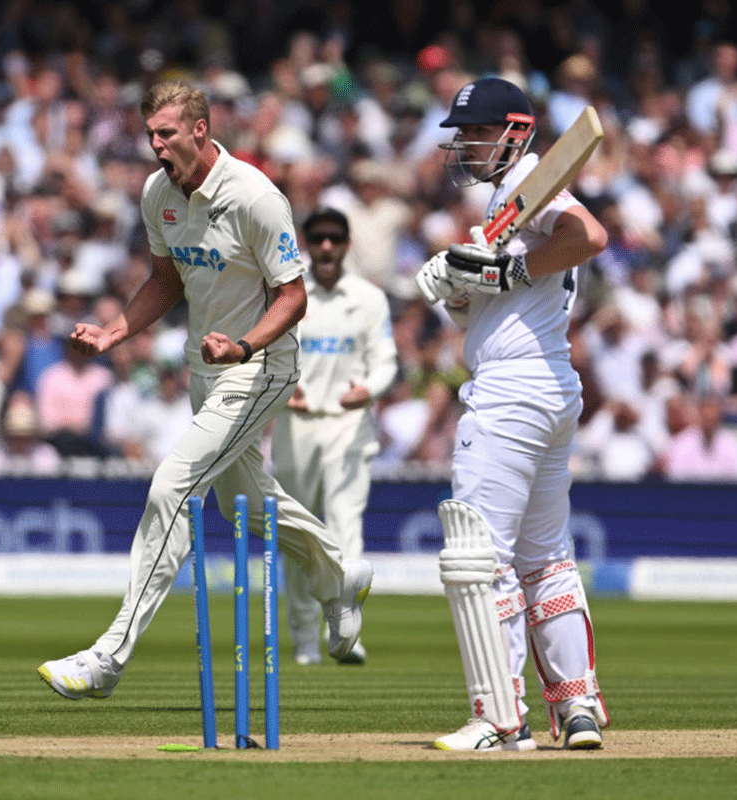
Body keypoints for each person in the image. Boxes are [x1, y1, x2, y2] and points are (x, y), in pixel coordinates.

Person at [37, 81, 372, 701]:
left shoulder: (254, 196)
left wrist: (244, 345)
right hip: (205, 368)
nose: (156, 145)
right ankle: (341, 574)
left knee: (175, 485)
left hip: (262, 364)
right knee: (242, 500)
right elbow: (166, 280)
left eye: (166, 133)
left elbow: (292, 297)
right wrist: (115, 331)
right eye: (149, 135)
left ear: (199, 129)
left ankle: (107, 657)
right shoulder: (157, 194)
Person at [413, 76, 610, 751]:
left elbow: (589, 235)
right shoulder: (504, 206)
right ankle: (577, 707)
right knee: (545, 558)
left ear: (515, 132)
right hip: (551, 387)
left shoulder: (531, 183)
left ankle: (500, 718)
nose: (465, 145)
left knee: (480, 558)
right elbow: (493, 298)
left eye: (475, 131)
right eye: (461, 134)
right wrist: (458, 284)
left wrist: (506, 272)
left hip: (510, 394)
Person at [270, 207, 398, 666]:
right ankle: (306, 640)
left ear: (346, 245)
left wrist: (369, 390)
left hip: (348, 421)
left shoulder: (368, 298)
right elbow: (266, 351)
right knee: (301, 537)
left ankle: (345, 632)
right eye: (318, 238)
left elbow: (385, 359)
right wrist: (285, 390)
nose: (326, 247)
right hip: (296, 422)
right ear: (307, 243)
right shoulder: (288, 293)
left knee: (346, 529)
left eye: (335, 239)